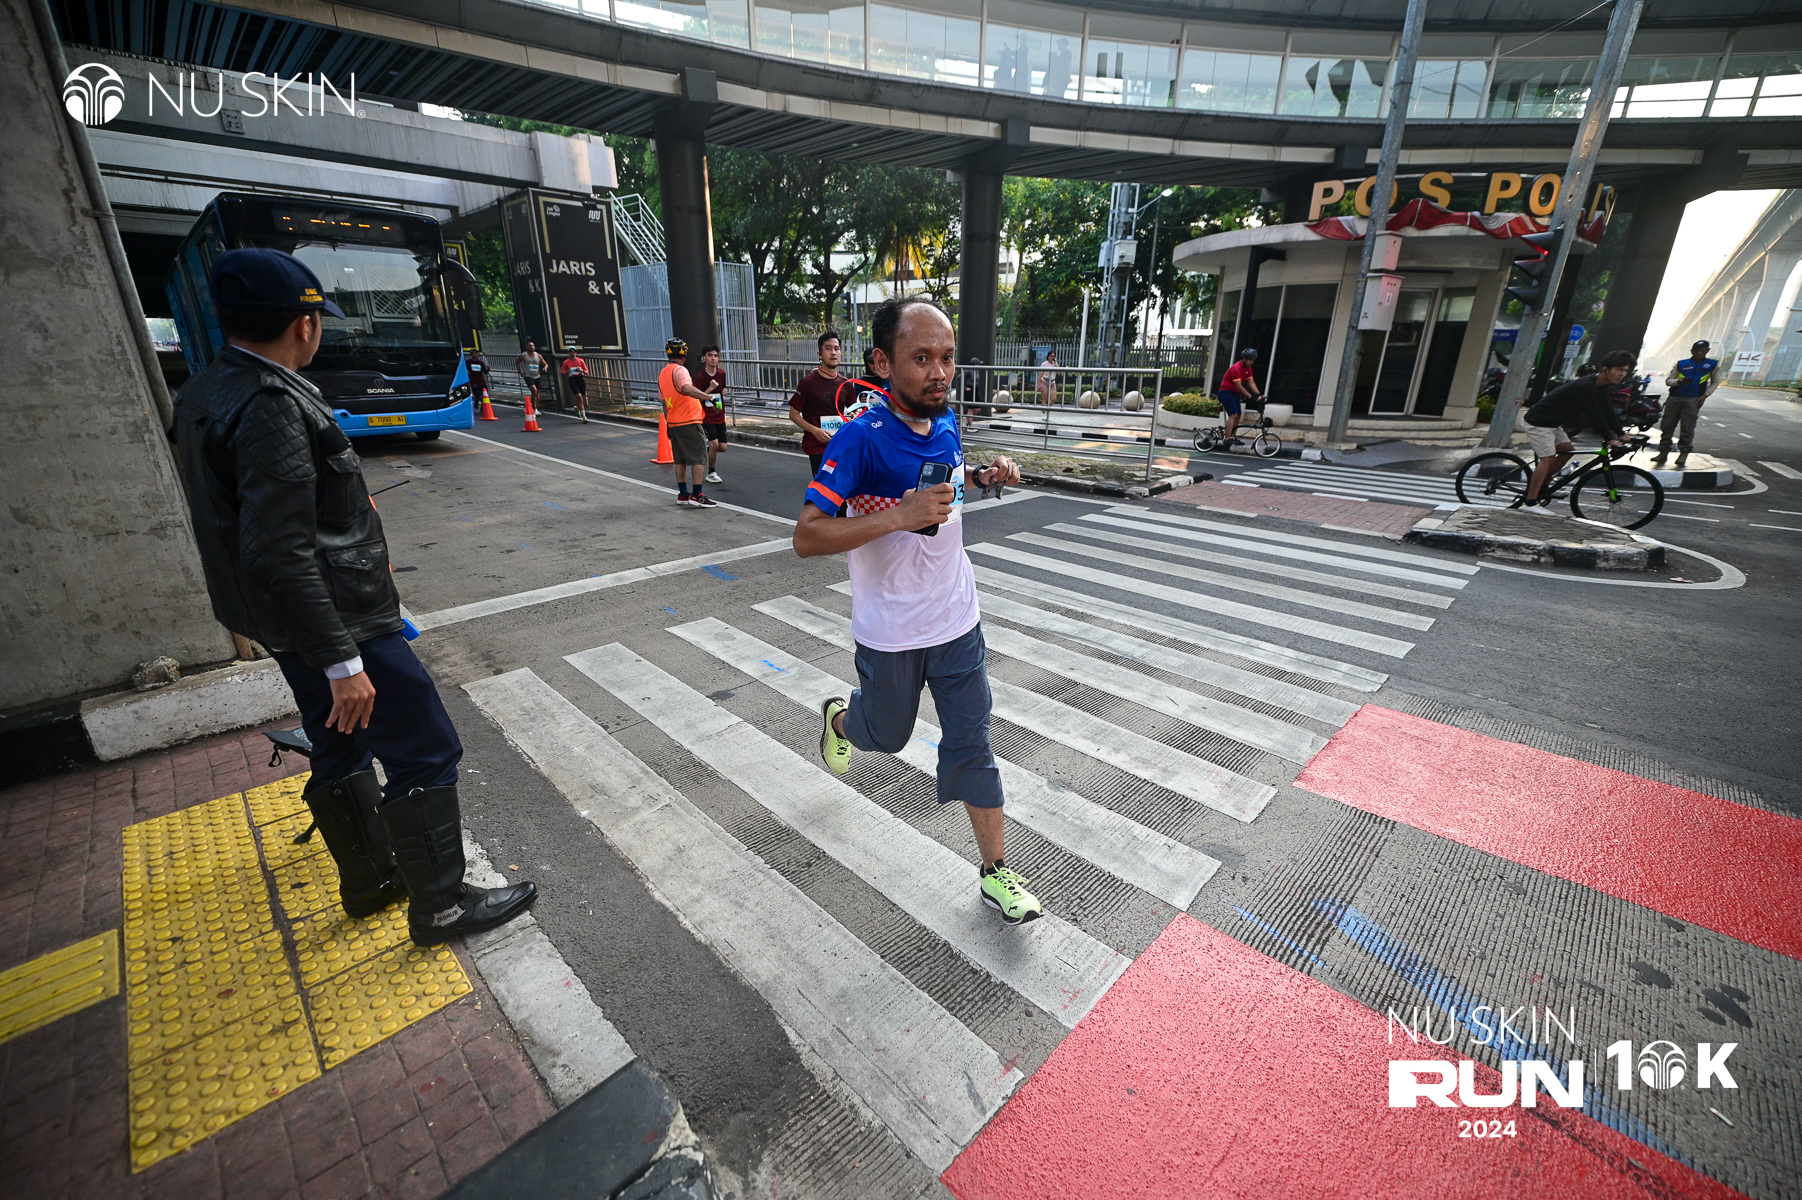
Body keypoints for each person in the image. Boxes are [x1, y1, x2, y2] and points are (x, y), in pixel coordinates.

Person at [171, 248, 537, 946]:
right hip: (338, 622)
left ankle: (370, 881)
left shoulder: (206, 390)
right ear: (302, 324)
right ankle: (441, 905)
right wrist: (344, 661)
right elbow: (281, 549)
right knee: (425, 747)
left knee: (337, 740)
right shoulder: (272, 403)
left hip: (284, 618)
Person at [794, 296, 1040, 926]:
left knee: (972, 744)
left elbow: (946, 484)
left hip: (957, 619)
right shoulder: (859, 440)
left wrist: (983, 477)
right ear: (883, 362)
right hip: (891, 631)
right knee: (889, 736)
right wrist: (898, 515)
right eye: (922, 358)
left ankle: (996, 870)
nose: (939, 373)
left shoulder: (946, 419)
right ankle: (841, 719)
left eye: (947, 358)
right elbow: (807, 536)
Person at [1519, 349, 1636, 512]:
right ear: (1605, 369)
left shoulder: (1601, 385)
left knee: (1567, 451)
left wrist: (1621, 433)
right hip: (1538, 422)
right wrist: (1609, 438)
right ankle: (1530, 503)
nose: (1622, 374)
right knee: (1548, 459)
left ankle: (1542, 488)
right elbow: (1594, 414)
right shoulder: (1585, 386)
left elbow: (1607, 411)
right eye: (1618, 369)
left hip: (1553, 423)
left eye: (1625, 371)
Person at [658, 338, 717, 508]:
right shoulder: (680, 370)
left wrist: (668, 424)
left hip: (674, 422)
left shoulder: (662, 374)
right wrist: (709, 397)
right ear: (684, 355)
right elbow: (686, 388)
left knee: (680, 460)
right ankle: (697, 495)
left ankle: (683, 494)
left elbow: (664, 403)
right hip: (689, 420)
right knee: (699, 458)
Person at [788, 329, 846, 473]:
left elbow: (854, 411)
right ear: (819, 354)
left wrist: (855, 414)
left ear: (840, 353)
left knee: (843, 486)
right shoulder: (807, 383)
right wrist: (815, 430)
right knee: (823, 485)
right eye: (828, 348)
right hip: (817, 447)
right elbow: (793, 414)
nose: (833, 353)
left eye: (836, 349)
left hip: (840, 445)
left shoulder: (846, 384)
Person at [1656, 339, 1719, 469]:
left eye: (1702, 350)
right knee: (1667, 425)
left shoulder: (1712, 365)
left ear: (1707, 351)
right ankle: (1663, 451)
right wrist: (1679, 381)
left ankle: (1683, 453)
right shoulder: (1682, 364)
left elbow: (1715, 382)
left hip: (1694, 399)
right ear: (1692, 351)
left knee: (1687, 427)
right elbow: (1669, 381)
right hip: (1675, 398)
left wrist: (1706, 395)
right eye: (1697, 351)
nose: (1699, 353)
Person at [696, 344, 729, 483]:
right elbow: (697, 397)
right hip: (706, 415)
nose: (713, 358)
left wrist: (724, 393)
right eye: (710, 355)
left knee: (723, 447)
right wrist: (710, 388)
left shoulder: (722, 373)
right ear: (704, 358)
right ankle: (711, 472)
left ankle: (708, 450)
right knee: (715, 445)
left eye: (715, 355)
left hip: (719, 413)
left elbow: (721, 392)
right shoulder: (700, 377)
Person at [1218, 347, 1261, 444]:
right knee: (1233, 414)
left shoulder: (1248, 369)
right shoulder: (1236, 368)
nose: (1252, 362)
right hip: (1226, 392)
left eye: (1253, 360)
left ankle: (1233, 437)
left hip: (1234, 393)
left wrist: (1258, 394)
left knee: (1238, 415)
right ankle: (1227, 438)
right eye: (1250, 360)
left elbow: (1251, 382)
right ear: (1244, 359)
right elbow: (1239, 386)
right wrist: (1250, 397)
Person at [516, 342, 548, 411]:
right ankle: (534, 408)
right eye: (530, 346)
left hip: (537, 376)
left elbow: (545, 364)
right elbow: (517, 362)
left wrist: (545, 368)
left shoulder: (538, 356)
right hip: (528, 376)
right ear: (527, 347)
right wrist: (520, 371)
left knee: (537, 393)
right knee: (534, 391)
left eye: (533, 346)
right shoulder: (524, 355)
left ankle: (534, 407)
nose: (532, 347)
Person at [560, 349, 590, 422]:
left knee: (582, 398)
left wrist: (582, 370)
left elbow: (587, 371)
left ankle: (577, 407)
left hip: (580, 379)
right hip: (573, 380)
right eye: (571, 352)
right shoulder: (566, 362)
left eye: (574, 352)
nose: (573, 353)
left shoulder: (581, 361)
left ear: (576, 353)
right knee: (578, 396)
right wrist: (567, 371)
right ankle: (584, 416)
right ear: (569, 353)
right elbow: (562, 371)